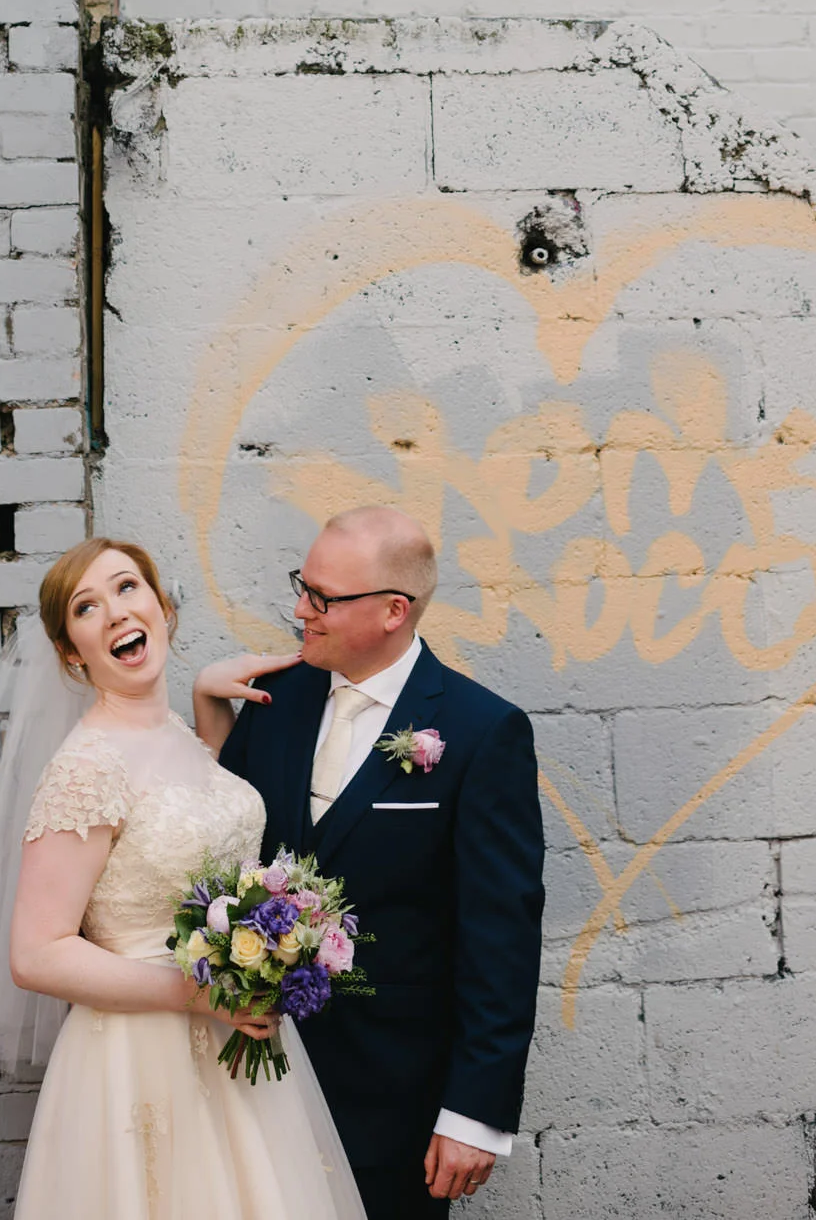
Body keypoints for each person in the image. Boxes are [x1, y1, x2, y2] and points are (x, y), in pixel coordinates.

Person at [0, 535, 368, 1220]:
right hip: (141, 1061)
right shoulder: (85, 769)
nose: (114, 612)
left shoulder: (174, 731)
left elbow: (189, 822)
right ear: (71, 651)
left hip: (239, 1042)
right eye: (87, 607)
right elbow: (35, 952)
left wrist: (207, 695)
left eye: (126, 587)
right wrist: (199, 996)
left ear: (162, 607)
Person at [195, 506, 546, 1219]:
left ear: (394, 609)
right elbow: (229, 852)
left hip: (395, 1102)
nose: (300, 609)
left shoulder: (483, 733)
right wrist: (207, 699)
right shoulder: (273, 700)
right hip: (259, 1080)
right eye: (303, 585)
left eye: (322, 597)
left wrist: (473, 1113)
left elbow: (501, 938)